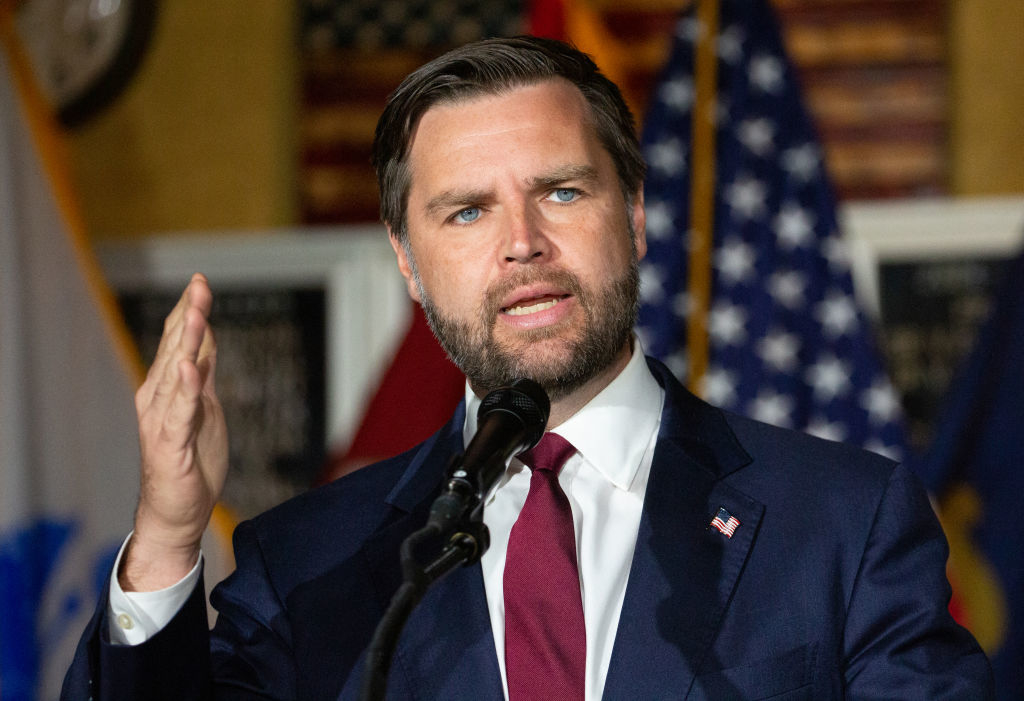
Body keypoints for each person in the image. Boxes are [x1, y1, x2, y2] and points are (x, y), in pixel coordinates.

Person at [62, 36, 991, 700]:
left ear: (631, 216)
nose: (522, 244)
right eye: (466, 211)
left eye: (560, 190)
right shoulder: (311, 563)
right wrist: (168, 533)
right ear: (407, 262)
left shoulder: (844, 522)